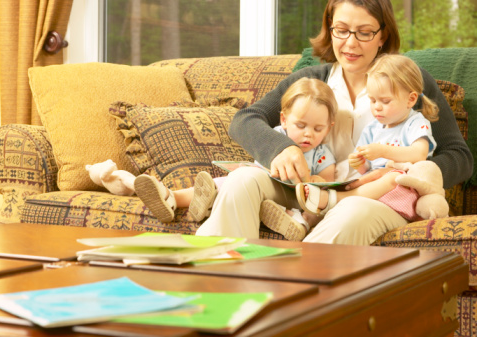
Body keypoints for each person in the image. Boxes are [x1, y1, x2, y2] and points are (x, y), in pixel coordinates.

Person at [195, 0, 473, 245]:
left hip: (376, 197)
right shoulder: (312, 80)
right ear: (330, 29)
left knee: (350, 212)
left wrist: (407, 174)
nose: (350, 43)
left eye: (364, 32)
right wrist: (281, 147)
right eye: (341, 30)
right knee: (242, 180)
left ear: (382, 35)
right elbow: (244, 120)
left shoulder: (408, 80)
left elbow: (459, 157)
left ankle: (291, 294)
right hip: (310, 187)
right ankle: (215, 285)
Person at [134, 78, 339, 241]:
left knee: (316, 208)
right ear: (284, 120)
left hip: (295, 197)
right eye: (301, 126)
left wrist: (314, 180)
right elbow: (248, 133)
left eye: (317, 129)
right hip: (261, 188)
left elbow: (326, 183)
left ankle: (300, 223)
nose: (308, 134)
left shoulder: (321, 154)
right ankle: (173, 198)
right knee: (227, 181)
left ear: (328, 127)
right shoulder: (275, 136)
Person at [296, 53, 438, 222]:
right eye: (372, 100)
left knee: (393, 177)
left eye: (385, 101)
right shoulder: (372, 128)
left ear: (411, 99)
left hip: (403, 191)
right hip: (372, 191)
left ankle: (334, 200)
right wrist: (360, 162)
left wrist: (383, 151)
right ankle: (305, 219)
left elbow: (419, 154)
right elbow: (366, 169)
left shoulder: (416, 123)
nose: (377, 108)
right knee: (351, 181)